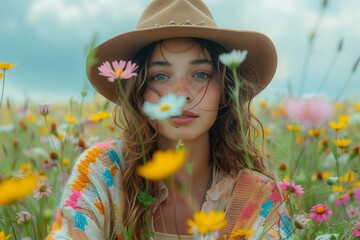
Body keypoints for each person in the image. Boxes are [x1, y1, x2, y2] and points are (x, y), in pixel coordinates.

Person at [47, 0, 292, 239]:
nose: (180, 93)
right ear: (138, 90)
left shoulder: (258, 197)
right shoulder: (102, 172)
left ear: (225, 89)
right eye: (160, 75)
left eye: (200, 74)